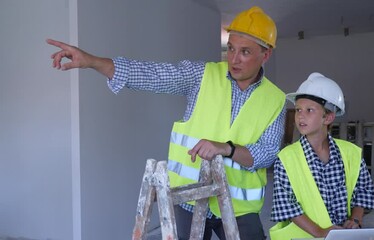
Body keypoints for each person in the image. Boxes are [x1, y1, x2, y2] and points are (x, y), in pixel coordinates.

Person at [48, 6, 286, 240]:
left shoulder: (275, 99)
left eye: (245, 52)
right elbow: (151, 75)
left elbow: (267, 154)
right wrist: (91, 61)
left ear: (266, 55)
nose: (233, 59)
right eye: (231, 48)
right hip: (189, 198)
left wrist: (227, 148)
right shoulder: (201, 75)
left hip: (239, 207)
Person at [269, 72, 374, 240]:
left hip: (343, 235)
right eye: (298, 110)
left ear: (328, 117)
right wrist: (322, 232)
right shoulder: (286, 158)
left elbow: (363, 190)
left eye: (309, 110)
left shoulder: (350, 153)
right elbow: (288, 207)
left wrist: (355, 219)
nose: (300, 116)